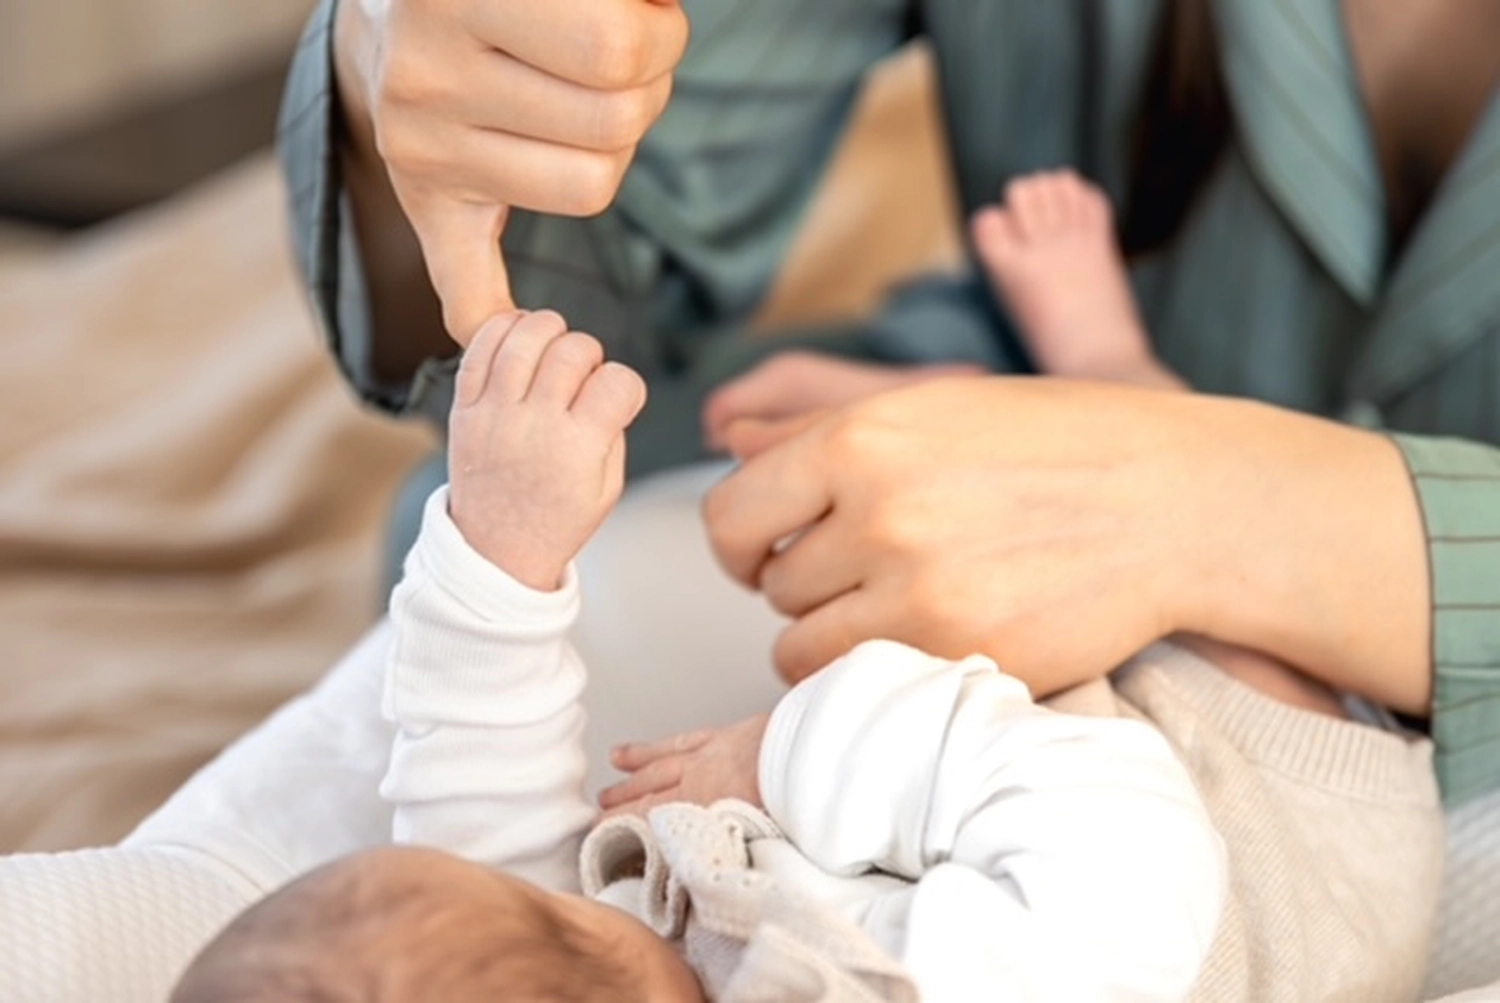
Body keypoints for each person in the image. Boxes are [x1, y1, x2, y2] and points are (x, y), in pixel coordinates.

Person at [282, 0, 1500, 816]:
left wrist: (1230, 510)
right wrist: (423, 70)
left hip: (1052, 425)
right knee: (486, 532)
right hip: (1003, 391)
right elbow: (604, 220)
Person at [170, 310, 1443, 1002]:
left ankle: (1015, 420)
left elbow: (465, 794)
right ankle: (1107, 377)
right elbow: (1122, 838)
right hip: (1270, 832)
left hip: (1003, 811)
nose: (522, 877)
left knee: (957, 588)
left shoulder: (589, 946)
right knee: (1168, 611)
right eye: (536, 912)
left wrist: (505, 549)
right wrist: (785, 760)